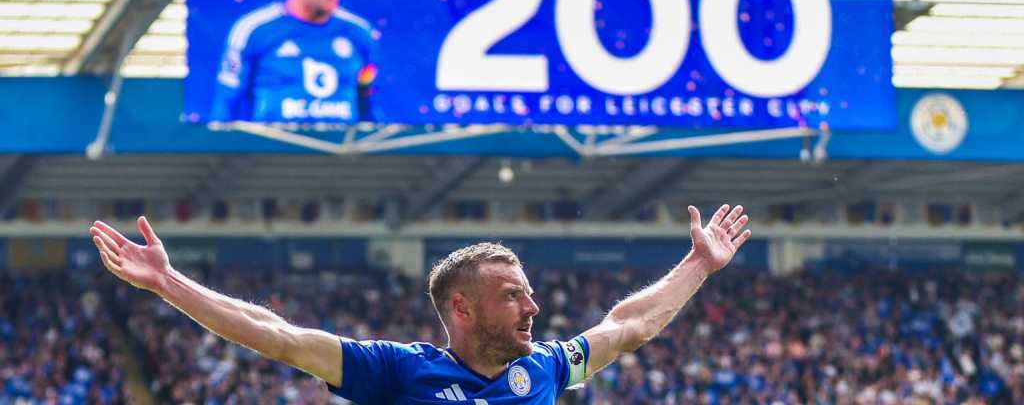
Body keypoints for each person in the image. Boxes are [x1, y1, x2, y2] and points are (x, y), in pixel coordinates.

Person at [89, 204, 751, 404]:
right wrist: (169, 283)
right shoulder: (398, 372)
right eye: (511, 294)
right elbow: (277, 335)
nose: (533, 306)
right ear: (461, 309)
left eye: (528, 291)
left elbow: (629, 326)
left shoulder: (547, 368)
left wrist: (698, 264)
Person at [211, 0, 378, 124]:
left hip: (340, 151)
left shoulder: (361, 34)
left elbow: (368, 109)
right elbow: (224, 111)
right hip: (274, 151)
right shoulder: (252, 31)